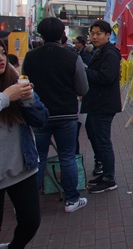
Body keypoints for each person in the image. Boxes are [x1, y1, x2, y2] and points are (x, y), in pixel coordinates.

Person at [21, 17, 89, 213]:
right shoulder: (72, 57)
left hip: (38, 114)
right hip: (66, 114)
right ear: (62, 34)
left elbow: (25, 86)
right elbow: (83, 88)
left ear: (40, 34)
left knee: (38, 158)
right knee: (67, 156)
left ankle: (27, 205)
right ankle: (71, 200)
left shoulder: (30, 57)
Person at [0, 39, 49, 249]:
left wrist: (28, 100)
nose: (1, 58)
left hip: (22, 168)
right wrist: (4, 98)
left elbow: (41, 120)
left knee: (30, 222)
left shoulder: (15, 79)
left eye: (2, 52)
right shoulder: (8, 92)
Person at [82, 20, 122, 194]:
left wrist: (85, 71)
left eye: (99, 33)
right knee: (96, 137)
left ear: (108, 35)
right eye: (93, 33)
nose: (95, 36)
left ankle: (109, 178)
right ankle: (104, 173)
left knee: (103, 141)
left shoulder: (110, 54)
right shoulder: (101, 52)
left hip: (104, 105)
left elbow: (106, 77)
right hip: (96, 103)